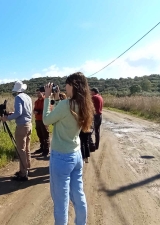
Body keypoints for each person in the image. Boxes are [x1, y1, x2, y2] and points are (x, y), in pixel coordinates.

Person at [43, 72, 94, 225]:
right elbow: (63, 117)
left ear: (73, 86)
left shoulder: (67, 105)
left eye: (67, 84)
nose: (65, 87)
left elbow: (47, 119)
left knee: (61, 202)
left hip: (61, 157)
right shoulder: (84, 104)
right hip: (76, 154)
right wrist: (57, 99)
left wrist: (47, 97)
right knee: (78, 195)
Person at [1, 80, 32, 181]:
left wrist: (7, 118)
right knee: (27, 148)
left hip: (22, 126)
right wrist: (12, 113)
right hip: (29, 124)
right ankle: (27, 168)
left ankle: (23, 174)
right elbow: (24, 111)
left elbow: (19, 112)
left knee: (21, 150)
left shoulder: (18, 97)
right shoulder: (27, 97)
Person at [33, 88, 50, 156]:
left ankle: (46, 150)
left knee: (45, 135)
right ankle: (42, 148)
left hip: (44, 120)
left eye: (39, 93)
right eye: (36, 93)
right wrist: (35, 112)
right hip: (37, 120)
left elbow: (47, 110)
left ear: (42, 93)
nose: (37, 94)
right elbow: (34, 110)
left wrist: (39, 112)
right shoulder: (36, 102)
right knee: (40, 135)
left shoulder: (45, 101)